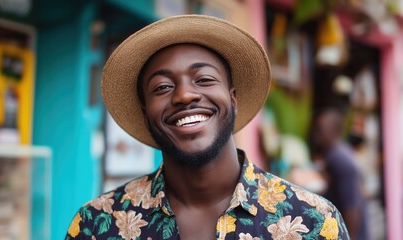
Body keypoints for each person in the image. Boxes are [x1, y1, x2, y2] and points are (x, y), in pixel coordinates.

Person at [65, 15, 349, 240]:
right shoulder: (97, 225)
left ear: (233, 98)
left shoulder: (313, 222)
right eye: (162, 87)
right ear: (145, 113)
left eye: (204, 79)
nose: (184, 95)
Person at [312, 109, 368, 240]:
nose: (316, 134)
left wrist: (349, 237)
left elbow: (352, 207)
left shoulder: (340, 159)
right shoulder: (336, 154)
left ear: (333, 130)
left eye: (320, 129)